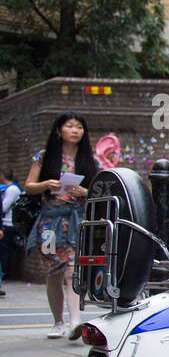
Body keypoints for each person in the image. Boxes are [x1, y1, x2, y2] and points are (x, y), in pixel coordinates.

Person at [24, 111, 98, 339]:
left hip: (77, 222)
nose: (75, 130)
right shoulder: (44, 157)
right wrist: (46, 183)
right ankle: (58, 322)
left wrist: (85, 191)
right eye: (70, 126)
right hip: (49, 224)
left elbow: (98, 190)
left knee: (72, 269)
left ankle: (75, 321)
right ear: (59, 130)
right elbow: (28, 186)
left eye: (79, 127)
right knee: (53, 272)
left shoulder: (88, 160)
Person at [0, 170, 22, 296]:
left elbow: (3, 206)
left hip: (8, 224)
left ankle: (4, 273)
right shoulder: (9, 188)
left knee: (4, 251)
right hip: (7, 224)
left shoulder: (12, 189)